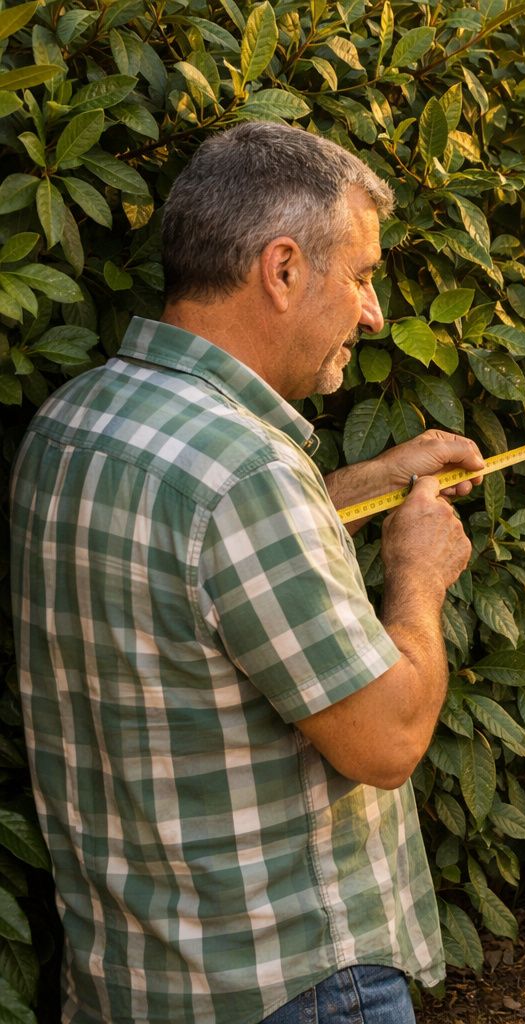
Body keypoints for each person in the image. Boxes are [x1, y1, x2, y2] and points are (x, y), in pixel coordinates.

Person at [10, 122, 486, 1023]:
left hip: (132, 981)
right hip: (293, 988)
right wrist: (417, 578)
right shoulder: (247, 474)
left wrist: (356, 486)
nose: (374, 313)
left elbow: (192, 571)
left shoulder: (74, 421)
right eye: (362, 276)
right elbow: (387, 741)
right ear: (281, 268)